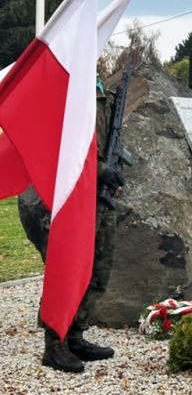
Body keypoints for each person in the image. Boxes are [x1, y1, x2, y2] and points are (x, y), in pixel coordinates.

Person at [39, 76, 125, 373]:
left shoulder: (103, 91)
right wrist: (99, 169)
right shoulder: (68, 83)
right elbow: (58, 139)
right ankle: (55, 343)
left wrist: (112, 167)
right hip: (74, 194)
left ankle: (75, 335)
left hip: (100, 196)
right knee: (67, 268)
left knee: (99, 267)